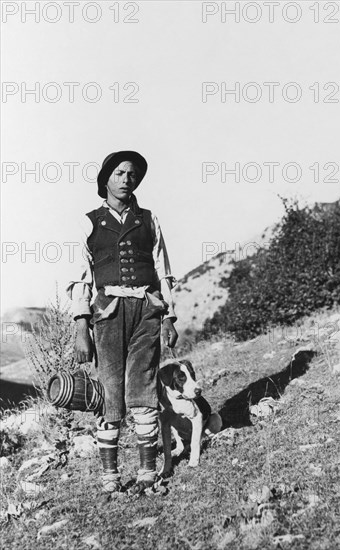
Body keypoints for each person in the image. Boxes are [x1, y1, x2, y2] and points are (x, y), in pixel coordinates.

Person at [67, 150, 178, 493]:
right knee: (109, 392)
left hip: (146, 309)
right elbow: (81, 278)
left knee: (143, 385)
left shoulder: (149, 219)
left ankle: (147, 472)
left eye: (132, 174)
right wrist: (80, 325)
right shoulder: (89, 222)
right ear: (106, 180)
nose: (126, 179)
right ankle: (109, 477)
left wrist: (169, 316)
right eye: (119, 173)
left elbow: (164, 270)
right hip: (107, 313)